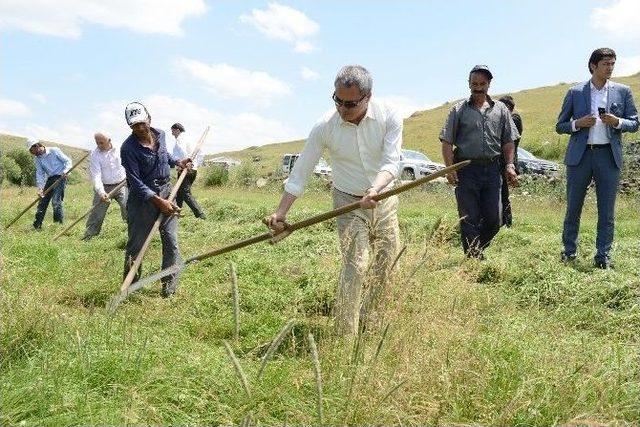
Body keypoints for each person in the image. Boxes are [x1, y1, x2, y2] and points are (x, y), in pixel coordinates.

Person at [266, 65, 402, 336]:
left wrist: (375, 189)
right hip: (347, 201)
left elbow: (392, 162)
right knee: (356, 264)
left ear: (368, 97)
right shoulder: (325, 126)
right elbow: (302, 170)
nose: (342, 108)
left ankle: (369, 318)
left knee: (388, 260)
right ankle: (345, 333)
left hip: (383, 197)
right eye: (337, 100)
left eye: (350, 103)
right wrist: (280, 213)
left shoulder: (389, 115)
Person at [556, 47, 638, 269]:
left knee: (607, 210)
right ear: (593, 66)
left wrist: (618, 122)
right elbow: (560, 126)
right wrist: (577, 124)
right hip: (580, 157)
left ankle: (603, 256)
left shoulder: (623, 91)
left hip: (608, 156)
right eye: (606, 64)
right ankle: (569, 252)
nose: (610, 68)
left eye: (612, 64)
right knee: (573, 207)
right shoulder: (575, 92)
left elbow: (635, 122)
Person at [440, 65, 519, 259]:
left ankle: (475, 250)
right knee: (469, 217)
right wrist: (450, 169)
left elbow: (508, 141)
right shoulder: (458, 110)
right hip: (466, 169)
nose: (478, 87)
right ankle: (474, 258)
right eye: (474, 83)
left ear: (489, 84)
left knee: (495, 219)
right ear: (469, 84)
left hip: (493, 169)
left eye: (482, 84)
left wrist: (509, 165)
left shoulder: (501, 110)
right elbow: (447, 141)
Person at [120, 102, 192, 297]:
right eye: (135, 125)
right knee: (137, 245)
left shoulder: (160, 134)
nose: (140, 128)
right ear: (130, 127)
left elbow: (163, 156)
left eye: (142, 123)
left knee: (171, 241)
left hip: (168, 192)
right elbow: (135, 182)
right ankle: (129, 289)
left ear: (149, 119)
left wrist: (178, 162)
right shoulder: (128, 149)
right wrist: (158, 202)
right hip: (142, 201)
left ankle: (169, 286)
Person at [82, 132, 128, 240]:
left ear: (109, 140)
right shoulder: (95, 154)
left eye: (101, 142)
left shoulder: (120, 149)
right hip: (104, 186)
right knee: (97, 212)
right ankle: (89, 235)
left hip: (122, 184)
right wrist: (101, 192)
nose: (99, 145)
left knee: (128, 207)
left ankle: (133, 232)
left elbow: (127, 164)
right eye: (97, 143)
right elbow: (96, 175)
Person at [28, 138, 72, 230]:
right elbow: (40, 174)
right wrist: (40, 188)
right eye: (32, 153)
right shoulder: (38, 159)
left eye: (34, 151)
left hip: (61, 177)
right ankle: (37, 226)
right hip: (50, 179)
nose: (34, 154)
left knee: (56, 201)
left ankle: (58, 226)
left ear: (37, 146)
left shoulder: (54, 150)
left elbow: (67, 161)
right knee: (42, 201)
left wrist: (66, 171)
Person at [171, 123, 206, 219]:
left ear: (177, 130)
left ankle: (200, 215)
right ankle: (177, 214)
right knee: (179, 193)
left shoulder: (180, 139)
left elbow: (182, 152)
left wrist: (182, 163)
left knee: (185, 193)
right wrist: (196, 164)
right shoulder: (191, 139)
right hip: (193, 169)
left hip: (185, 168)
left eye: (172, 130)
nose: (172, 133)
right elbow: (201, 153)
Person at [498, 95, 523, 227]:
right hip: (498, 163)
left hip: (507, 163)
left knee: (504, 195)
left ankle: (507, 223)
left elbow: (510, 140)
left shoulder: (515, 119)